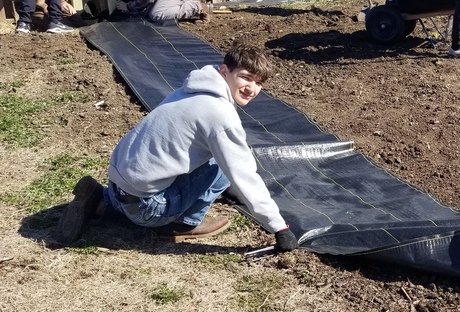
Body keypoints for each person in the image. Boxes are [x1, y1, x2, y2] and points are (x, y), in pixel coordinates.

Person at [58, 43, 299, 252]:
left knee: (210, 155)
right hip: (147, 209)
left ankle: (101, 201)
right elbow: (243, 174)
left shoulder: (189, 89)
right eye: (246, 77)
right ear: (225, 71)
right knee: (223, 165)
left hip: (119, 185)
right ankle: (185, 223)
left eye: (259, 83)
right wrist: (279, 227)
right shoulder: (220, 114)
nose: (252, 88)